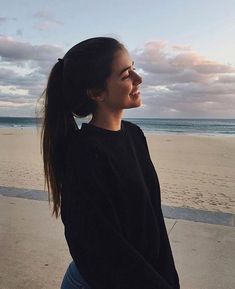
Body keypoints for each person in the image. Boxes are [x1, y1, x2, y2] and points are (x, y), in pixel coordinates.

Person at [41, 37, 180, 289]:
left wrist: (169, 279)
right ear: (96, 93)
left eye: (134, 68)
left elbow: (152, 219)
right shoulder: (83, 154)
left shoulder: (134, 135)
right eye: (126, 74)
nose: (139, 79)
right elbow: (100, 248)